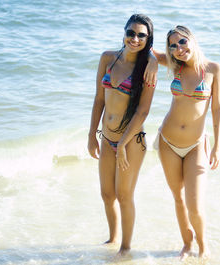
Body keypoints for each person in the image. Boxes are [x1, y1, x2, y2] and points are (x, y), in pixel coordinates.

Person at [152, 25, 220, 259]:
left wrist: (218, 145)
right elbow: (144, 49)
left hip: (196, 145)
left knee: (195, 205)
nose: (178, 48)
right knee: (178, 197)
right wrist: (151, 60)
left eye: (182, 41)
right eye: (172, 45)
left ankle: (203, 247)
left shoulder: (213, 69)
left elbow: (217, 108)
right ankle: (187, 243)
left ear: (192, 39)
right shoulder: (175, 66)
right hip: (167, 142)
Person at [87, 14, 156, 256]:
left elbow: (143, 111)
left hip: (132, 142)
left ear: (148, 40)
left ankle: (126, 248)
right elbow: (98, 99)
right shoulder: (108, 58)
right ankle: (113, 238)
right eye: (131, 33)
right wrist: (91, 135)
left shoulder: (147, 67)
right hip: (106, 137)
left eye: (141, 35)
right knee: (107, 194)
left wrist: (123, 144)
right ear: (124, 33)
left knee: (124, 195)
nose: (135, 39)